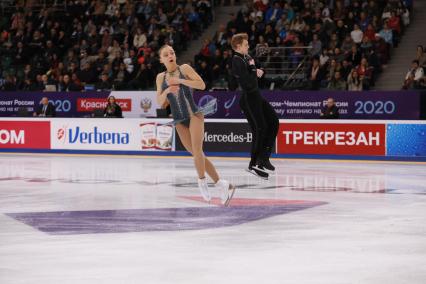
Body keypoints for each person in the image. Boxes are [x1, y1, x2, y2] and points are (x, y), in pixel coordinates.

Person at [155, 44, 235, 206]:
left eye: (172, 52)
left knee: (198, 151)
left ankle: (202, 182)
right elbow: (160, 103)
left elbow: (201, 85)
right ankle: (222, 184)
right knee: (198, 156)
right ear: (161, 59)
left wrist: (179, 80)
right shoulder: (160, 78)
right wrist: (168, 90)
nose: (170, 55)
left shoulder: (184, 68)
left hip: (194, 114)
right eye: (166, 54)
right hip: (179, 120)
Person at [231, 33, 279, 180]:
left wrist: (256, 68)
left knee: (273, 122)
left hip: (256, 95)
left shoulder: (246, 57)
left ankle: (263, 158)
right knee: (260, 128)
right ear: (238, 46)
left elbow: (253, 71)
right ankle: (254, 163)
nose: (248, 46)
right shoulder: (236, 60)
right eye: (246, 45)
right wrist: (254, 70)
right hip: (249, 97)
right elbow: (247, 84)